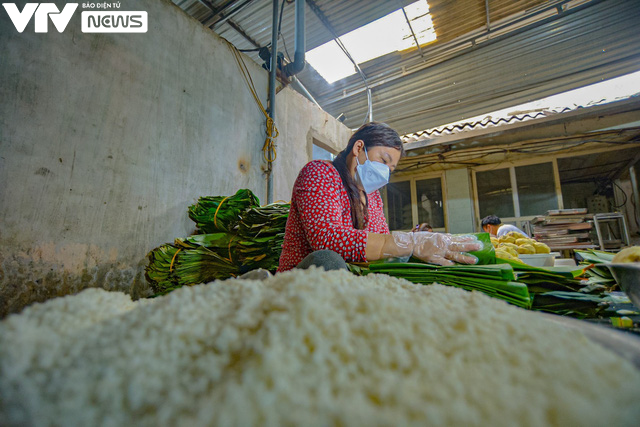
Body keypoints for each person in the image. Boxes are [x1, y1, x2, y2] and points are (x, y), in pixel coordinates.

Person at [277, 122, 482, 272]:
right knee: (328, 260)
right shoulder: (319, 174)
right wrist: (410, 243)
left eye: (391, 169)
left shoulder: (373, 197)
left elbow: (382, 239)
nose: (385, 172)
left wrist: (414, 247)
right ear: (359, 148)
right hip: (304, 279)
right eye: (383, 160)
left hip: (353, 280)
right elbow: (328, 240)